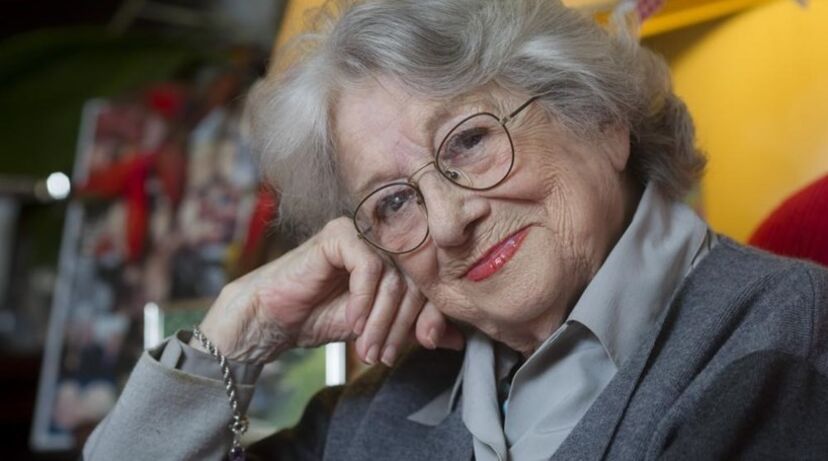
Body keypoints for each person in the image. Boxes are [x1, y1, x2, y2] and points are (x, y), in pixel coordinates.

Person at [83, 1, 828, 460]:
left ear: (602, 118)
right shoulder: (381, 406)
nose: (447, 222)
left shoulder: (782, 338)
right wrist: (241, 332)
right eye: (393, 203)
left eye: (470, 141)